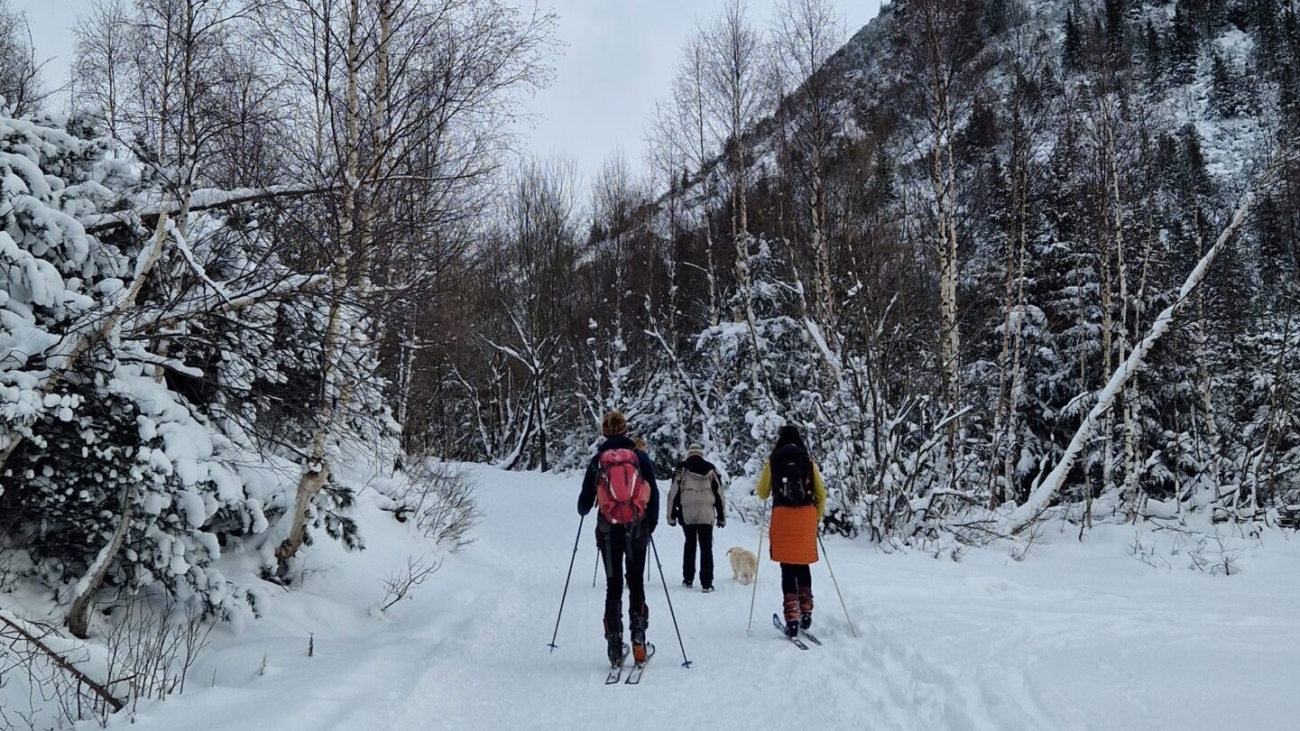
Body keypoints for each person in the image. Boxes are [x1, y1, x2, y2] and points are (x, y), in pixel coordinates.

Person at [578, 411, 659, 666]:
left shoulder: (597, 461)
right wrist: (650, 526)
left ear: (603, 433)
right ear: (626, 431)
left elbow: (583, 505)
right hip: (637, 528)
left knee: (613, 585)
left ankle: (614, 643)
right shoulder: (640, 458)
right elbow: (653, 493)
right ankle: (639, 636)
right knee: (635, 582)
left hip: (607, 530)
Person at [755, 424, 826, 637]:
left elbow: (761, 493)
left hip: (783, 517)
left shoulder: (774, 460)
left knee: (787, 567)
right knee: (803, 565)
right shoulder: (808, 461)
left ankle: (792, 617)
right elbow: (821, 494)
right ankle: (806, 610)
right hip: (805, 517)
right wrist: (816, 517)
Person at [666, 444, 725, 592]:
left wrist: (671, 516)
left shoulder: (681, 469)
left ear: (689, 454)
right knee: (706, 548)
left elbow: (673, 494)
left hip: (688, 512)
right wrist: (721, 517)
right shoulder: (711, 469)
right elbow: (719, 494)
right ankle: (706, 583)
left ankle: (688, 578)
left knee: (690, 544)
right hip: (706, 511)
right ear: (701, 454)